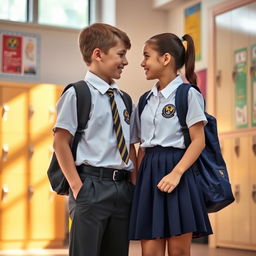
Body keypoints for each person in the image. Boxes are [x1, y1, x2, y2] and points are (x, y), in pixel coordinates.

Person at [53, 23, 137, 256]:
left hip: (122, 189)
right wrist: (77, 187)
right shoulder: (77, 93)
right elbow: (60, 142)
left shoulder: (125, 100)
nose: (126, 61)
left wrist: (133, 184)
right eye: (121, 54)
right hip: (90, 186)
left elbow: (129, 145)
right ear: (98, 54)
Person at [129, 33, 212, 256]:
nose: (142, 63)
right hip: (149, 174)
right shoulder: (145, 99)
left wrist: (176, 173)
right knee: (150, 251)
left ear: (166, 58)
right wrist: (137, 179)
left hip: (180, 173)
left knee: (179, 252)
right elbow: (141, 147)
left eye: (146, 56)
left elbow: (198, 141)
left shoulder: (188, 94)